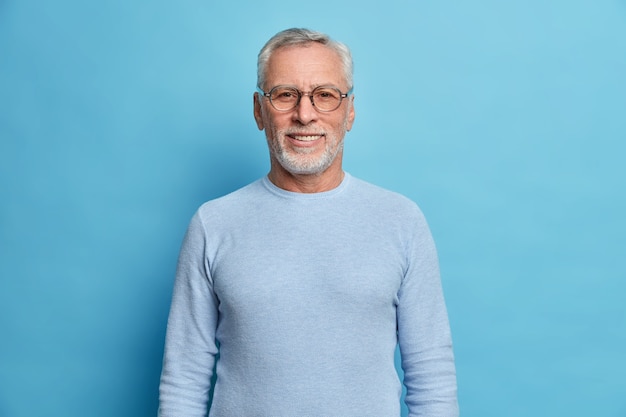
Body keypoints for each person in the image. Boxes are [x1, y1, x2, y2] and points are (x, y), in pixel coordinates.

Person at [158, 28, 459, 417]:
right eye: (285, 95)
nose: (305, 114)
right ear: (258, 111)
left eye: (325, 95)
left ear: (349, 110)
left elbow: (431, 375)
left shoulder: (401, 221)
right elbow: (184, 377)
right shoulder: (213, 224)